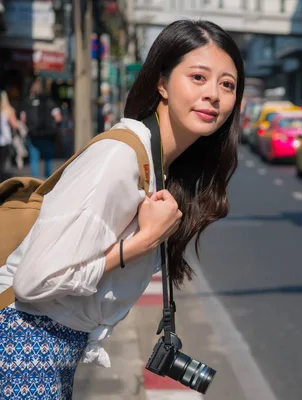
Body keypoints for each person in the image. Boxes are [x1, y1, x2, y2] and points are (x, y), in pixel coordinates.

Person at [0, 19, 244, 399]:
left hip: (52, 346)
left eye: (226, 84)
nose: (213, 94)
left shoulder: (161, 167)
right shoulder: (120, 157)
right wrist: (143, 241)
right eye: (198, 77)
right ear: (162, 83)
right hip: (22, 342)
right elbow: (35, 283)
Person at [20, 77, 62, 178]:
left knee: (34, 161)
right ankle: (47, 185)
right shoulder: (49, 102)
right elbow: (58, 118)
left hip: (33, 135)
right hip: (48, 136)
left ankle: (35, 184)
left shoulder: (27, 102)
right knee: (48, 161)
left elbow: (23, 119)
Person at [0, 90, 19, 181]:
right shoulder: (8, 111)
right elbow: (14, 125)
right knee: (2, 165)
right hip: (5, 141)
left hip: (3, 140)